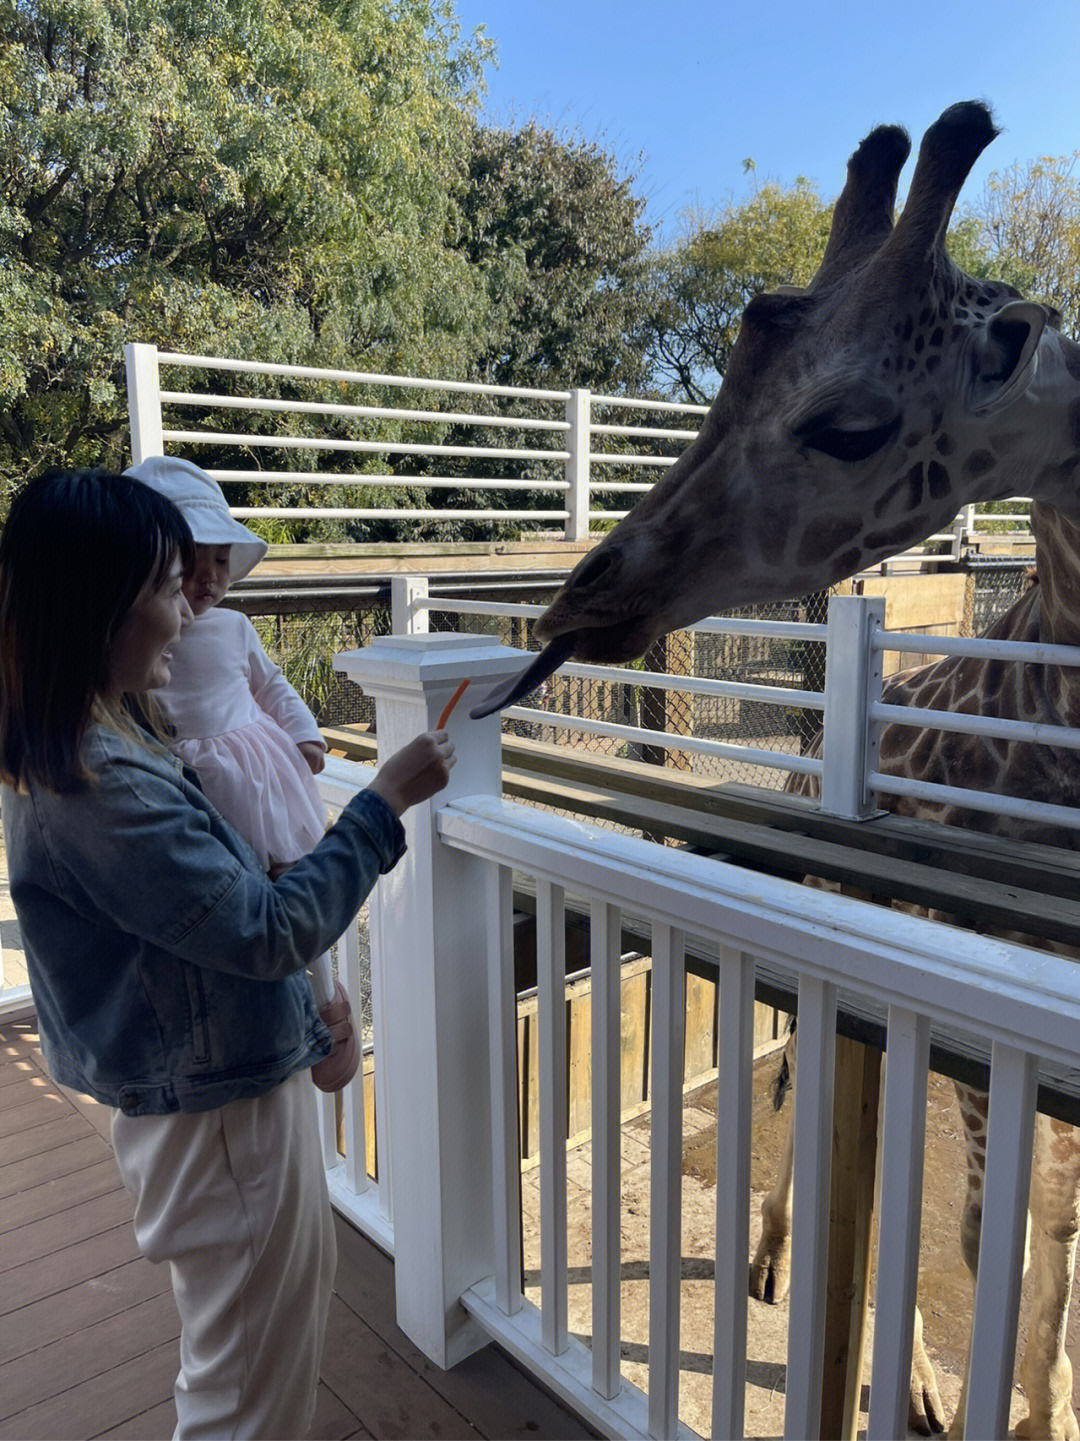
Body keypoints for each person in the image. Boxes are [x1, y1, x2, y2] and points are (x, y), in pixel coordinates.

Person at [0, 468, 454, 1440]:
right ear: (106, 605)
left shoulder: (98, 737)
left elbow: (216, 911)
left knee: (261, 1348)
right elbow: (260, 930)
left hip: (220, 1086)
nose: (188, 610)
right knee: (245, 1386)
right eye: (169, 586)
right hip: (219, 1115)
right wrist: (383, 804)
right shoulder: (101, 784)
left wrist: (305, 1009)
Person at [125, 455, 355, 1091]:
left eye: (220, 564)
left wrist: (304, 733)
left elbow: (272, 686)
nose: (206, 581)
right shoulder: (143, 643)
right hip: (195, 772)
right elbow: (150, 712)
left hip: (256, 762)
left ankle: (326, 995)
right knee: (242, 890)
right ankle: (300, 1000)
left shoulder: (235, 626)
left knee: (293, 870)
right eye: (191, 566)